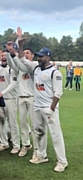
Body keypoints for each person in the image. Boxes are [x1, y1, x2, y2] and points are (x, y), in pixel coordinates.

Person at [18, 38, 68, 172]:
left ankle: (62, 161)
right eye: (38, 56)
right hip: (37, 106)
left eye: (41, 56)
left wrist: (51, 108)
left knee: (56, 135)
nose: (39, 58)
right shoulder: (36, 68)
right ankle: (41, 155)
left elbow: (58, 93)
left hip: (48, 108)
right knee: (39, 132)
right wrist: (21, 46)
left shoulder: (55, 72)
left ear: (48, 57)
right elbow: (22, 59)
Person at [5, 27, 38, 158]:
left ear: (32, 56)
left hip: (32, 98)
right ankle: (25, 145)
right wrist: (10, 51)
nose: (26, 54)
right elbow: (13, 63)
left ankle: (37, 149)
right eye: (24, 53)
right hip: (20, 97)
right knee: (23, 123)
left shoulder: (34, 66)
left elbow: (22, 63)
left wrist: (17, 46)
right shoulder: (19, 68)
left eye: (28, 53)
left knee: (35, 125)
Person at [0, 39, 20, 154]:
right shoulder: (0, 67)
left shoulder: (13, 69)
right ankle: (4, 143)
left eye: (5, 56)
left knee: (12, 123)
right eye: (1, 56)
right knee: (1, 121)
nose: (3, 57)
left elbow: (13, 84)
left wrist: (3, 92)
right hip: (0, 99)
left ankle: (16, 145)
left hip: (10, 99)